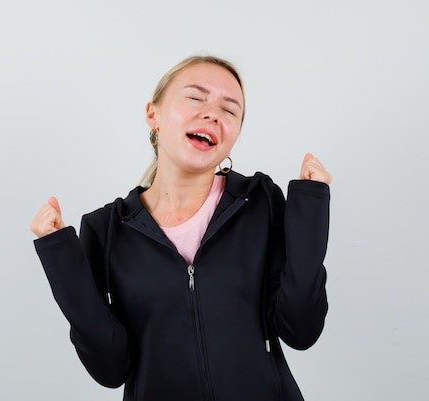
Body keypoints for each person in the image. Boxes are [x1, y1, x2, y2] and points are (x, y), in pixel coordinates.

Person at [30, 55, 332, 400]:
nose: (213, 113)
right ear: (152, 114)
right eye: (195, 97)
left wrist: (310, 211)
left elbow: (300, 330)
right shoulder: (106, 230)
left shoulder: (259, 203)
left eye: (230, 110)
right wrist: (62, 260)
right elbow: (110, 369)